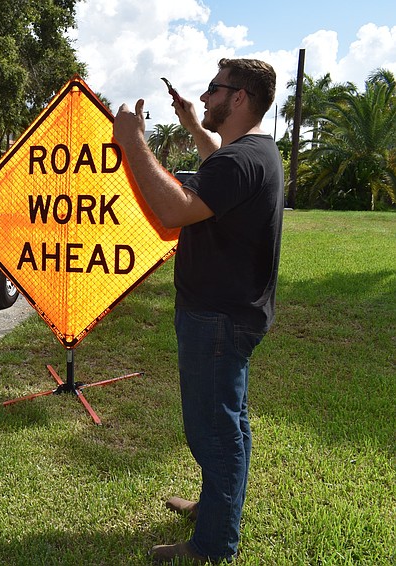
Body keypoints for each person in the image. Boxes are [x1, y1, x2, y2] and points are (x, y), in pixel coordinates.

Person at [114, 58, 284, 563]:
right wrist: (191, 123)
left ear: (240, 99)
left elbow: (174, 209)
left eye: (214, 90)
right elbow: (219, 171)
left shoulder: (240, 159)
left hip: (217, 317)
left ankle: (213, 544)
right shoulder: (254, 151)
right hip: (234, 313)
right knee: (231, 423)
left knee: (213, 431)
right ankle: (217, 506)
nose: (206, 96)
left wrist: (131, 141)